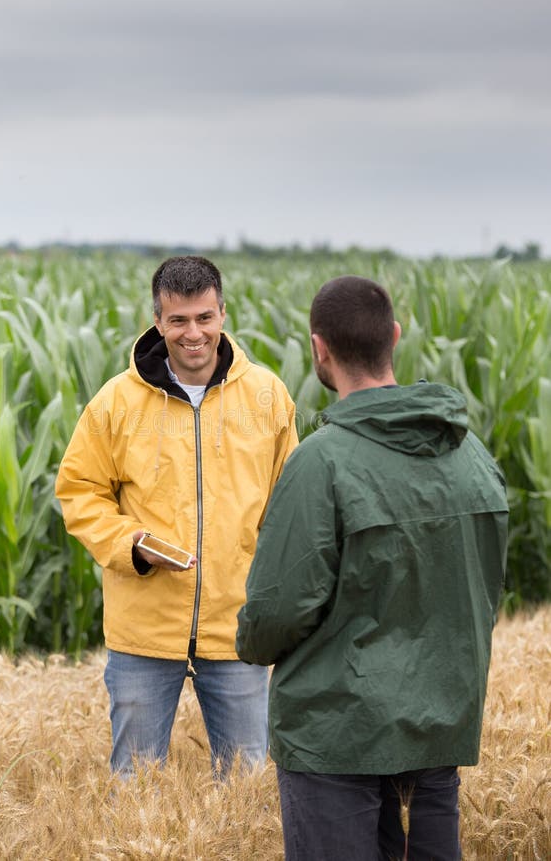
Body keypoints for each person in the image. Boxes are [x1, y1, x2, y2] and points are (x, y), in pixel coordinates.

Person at [236, 275, 508, 860]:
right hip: (438, 728)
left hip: (335, 738)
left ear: (318, 350)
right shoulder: (472, 456)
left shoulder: (321, 464)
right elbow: (485, 587)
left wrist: (250, 644)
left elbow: (275, 613)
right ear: (395, 337)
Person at [56, 255, 298, 776]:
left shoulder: (268, 398)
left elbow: (290, 504)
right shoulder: (115, 403)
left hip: (238, 624)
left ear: (223, 314)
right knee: (135, 787)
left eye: (204, 318)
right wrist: (131, 545)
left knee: (247, 785)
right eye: (180, 320)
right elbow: (78, 491)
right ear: (159, 321)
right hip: (143, 627)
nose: (194, 333)